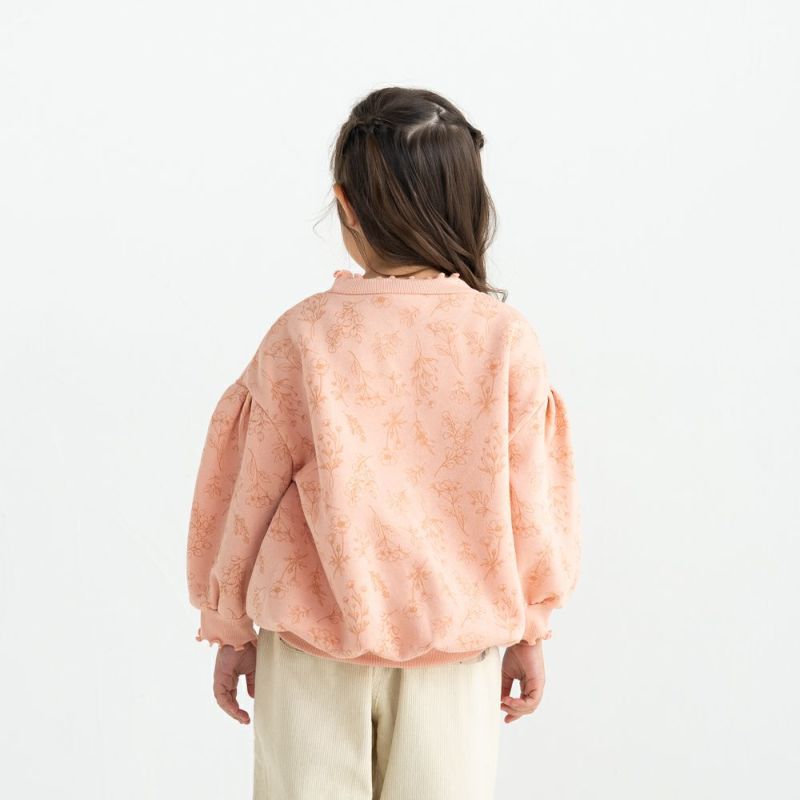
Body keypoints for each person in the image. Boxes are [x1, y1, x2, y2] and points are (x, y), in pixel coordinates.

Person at [185, 86, 582, 800]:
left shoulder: (303, 336)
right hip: (454, 652)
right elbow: (531, 505)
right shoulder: (505, 342)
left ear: (346, 205)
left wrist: (229, 622)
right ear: (469, 204)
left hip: (311, 649)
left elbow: (245, 493)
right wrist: (530, 627)